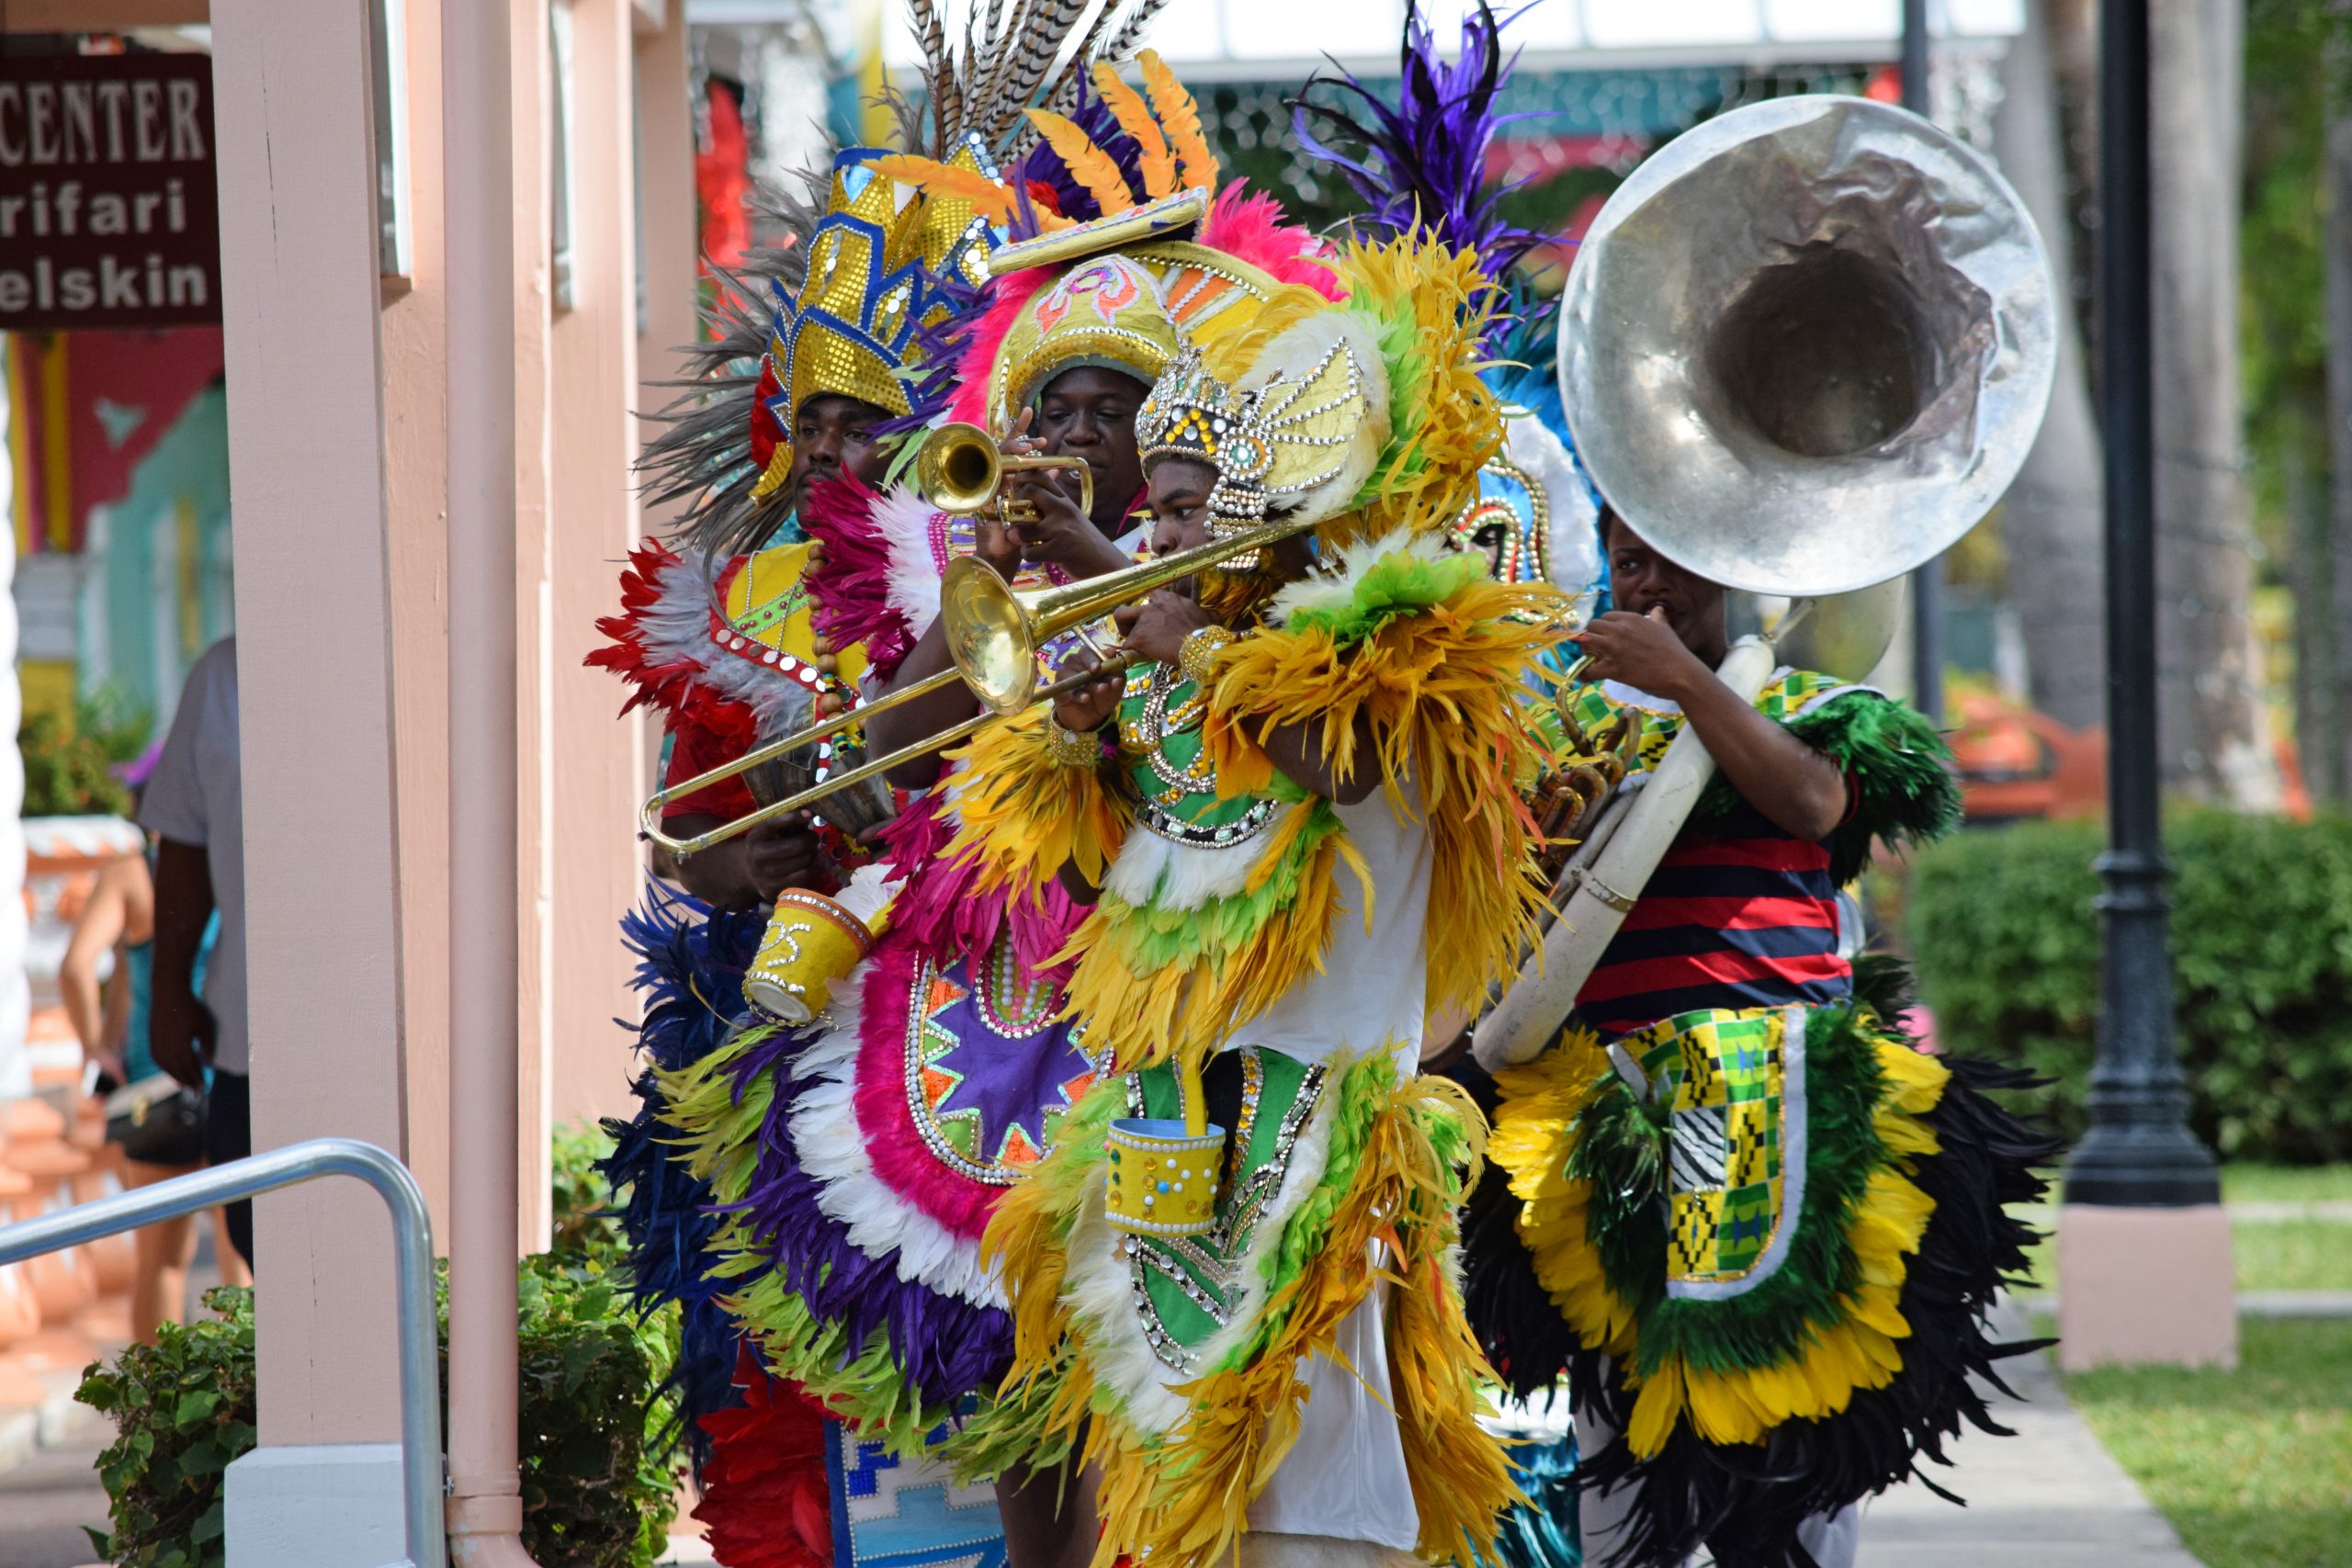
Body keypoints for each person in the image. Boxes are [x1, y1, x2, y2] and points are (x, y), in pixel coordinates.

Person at [937, 230, 1570, 1568]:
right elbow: (1108, 889)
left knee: (1315, 1469)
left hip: (1328, 1115)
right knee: (1174, 1457)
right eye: (1156, 511)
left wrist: (1200, 652)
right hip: (1173, 1112)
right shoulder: (1172, 666)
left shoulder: (1386, 644)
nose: (1156, 536)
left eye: (1180, 510)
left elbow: (1352, 767)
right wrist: (1082, 743)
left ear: (1264, 505)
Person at [1458, 510, 2060, 1568]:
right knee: (1623, 1438)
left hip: (1784, 1102)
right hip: (1611, 1113)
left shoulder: (1810, 706)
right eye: (1629, 562)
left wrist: (1687, 683)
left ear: (1735, 573)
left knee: (1796, 1439)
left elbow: (1817, 804)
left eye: (1675, 563)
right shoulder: (1567, 728)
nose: (1649, 585)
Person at [58, 748, 248, 1342]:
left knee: (161, 1260)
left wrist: (96, 1051)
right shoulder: (232, 863)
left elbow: (77, 966)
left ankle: (158, 1391)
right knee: (239, 1255)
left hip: (154, 1088)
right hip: (229, 1077)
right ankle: (244, 1387)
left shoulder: (131, 873)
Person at [137, 635, 254, 1271]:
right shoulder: (221, 675)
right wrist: (169, 990)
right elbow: (184, 841)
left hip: (390, 1037)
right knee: (254, 1232)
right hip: (245, 1044)